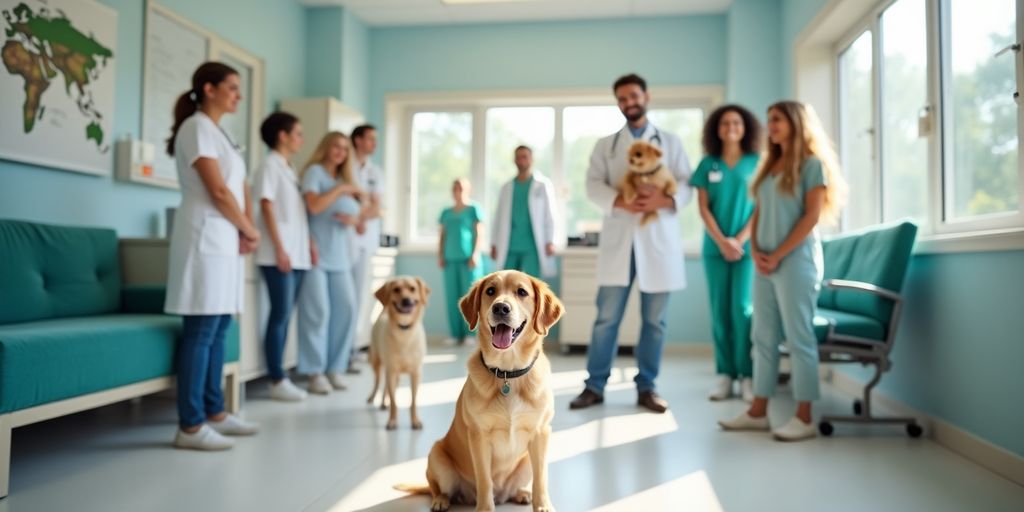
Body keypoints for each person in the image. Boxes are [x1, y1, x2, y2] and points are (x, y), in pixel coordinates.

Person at [718, 101, 847, 441]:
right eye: (769, 119)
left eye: (776, 119)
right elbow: (759, 210)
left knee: (799, 338)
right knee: (762, 336)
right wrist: (758, 251)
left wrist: (778, 255)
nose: (770, 125)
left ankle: (804, 418)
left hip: (797, 262)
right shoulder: (769, 166)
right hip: (764, 262)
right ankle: (758, 411)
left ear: (795, 122)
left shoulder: (811, 166)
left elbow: (811, 217)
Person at [569, 73, 692, 414]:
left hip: (657, 241)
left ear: (646, 96)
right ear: (618, 103)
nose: (629, 103)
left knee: (655, 322)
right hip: (620, 239)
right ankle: (594, 386)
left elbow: (687, 184)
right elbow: (593, 185)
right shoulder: (605, 145)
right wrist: (621, 202)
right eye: (622, 99)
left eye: (633, 96)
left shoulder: (670, 141)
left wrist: (662, 201)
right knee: (606, 319)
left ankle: (647, 387)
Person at [164, 61, 259, 450]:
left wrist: (245, 228)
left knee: (219, 327)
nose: (238, 95)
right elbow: (218, 191)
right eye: (232, 88)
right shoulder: (197, 127)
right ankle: (189, 425)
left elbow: (240, 187)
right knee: (201, 331)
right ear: (208, 88)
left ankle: (215, 411)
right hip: (204, 238)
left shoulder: (218, 133)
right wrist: (250, 229)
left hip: (224, 241)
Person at [691, 105, 762, 402]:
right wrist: (722, 241)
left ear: (745, 127)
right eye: (724, 123)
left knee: (742, 311)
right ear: (716, 130)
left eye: (736, 122)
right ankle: (725, 375)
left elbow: (760, 206)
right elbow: (703, 208)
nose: (730, 127)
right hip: (714, 249)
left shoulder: (757, 163)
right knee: (720, 312)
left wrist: (740, 240)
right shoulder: (709, 164)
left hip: (746, 249)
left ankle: (747, 375)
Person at [253, 111, 315, 402]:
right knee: (279, 315)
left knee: (285, 315)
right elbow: (266, 206)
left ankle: (280, 375)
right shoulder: (269, 165)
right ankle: (276, 378)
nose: (301, 139)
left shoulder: (289, 168)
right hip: (280, 254)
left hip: (297, 253)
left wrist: (308, 243)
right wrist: (280, 247)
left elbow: (296, 214)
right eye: (298, 133)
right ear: (283, 135)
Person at [296, 132, 363, 395]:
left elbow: (358, 218)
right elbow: (313, 207)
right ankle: (314, 371)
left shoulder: (342, 179)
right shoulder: (315, 173)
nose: (340, 152)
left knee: (346, 310)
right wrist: (343, 190)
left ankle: (335, 368)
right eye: (336, 146)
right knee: (318, 312)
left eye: (345, 149)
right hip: (315, 255)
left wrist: (354, 220)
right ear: (325, 147)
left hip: (341, 257)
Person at [348, 124, 385, 373]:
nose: (374, 143)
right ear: (358, 140)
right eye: (370, 139)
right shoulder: (345, 167)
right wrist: (362, 214)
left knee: (358, 298)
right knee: (343, 300)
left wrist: (360, 218)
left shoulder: (375, 171)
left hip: (364, 241)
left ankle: (351, 351)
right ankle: (341, 353)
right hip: (343, 240)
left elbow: (377, 206)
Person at [489, 145, 557, 279]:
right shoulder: (507, 187)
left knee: (530, 285)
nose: (521, 161)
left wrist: (550, 240)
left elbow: (550, 214)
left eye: (524, 157)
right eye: (518, 157)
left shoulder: (542, 185)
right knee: (507, 283)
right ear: (514, 160)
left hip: (532, 246)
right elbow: (498, 217)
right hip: (509, 245)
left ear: (531, 159)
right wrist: (494, 243)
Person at [438, 178, 484, 345]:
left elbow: (478, 233)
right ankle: (455, 334)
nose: (458, 190)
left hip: (468, 260)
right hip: (450, 259)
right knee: (452, 297)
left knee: (470, 297)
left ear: (468, 190)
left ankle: (470, 334)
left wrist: (475, 254)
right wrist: (441, 255)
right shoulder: (446, 212)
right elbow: (442, 235)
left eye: (461, 187)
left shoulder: (473, 209)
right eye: (455, 187)